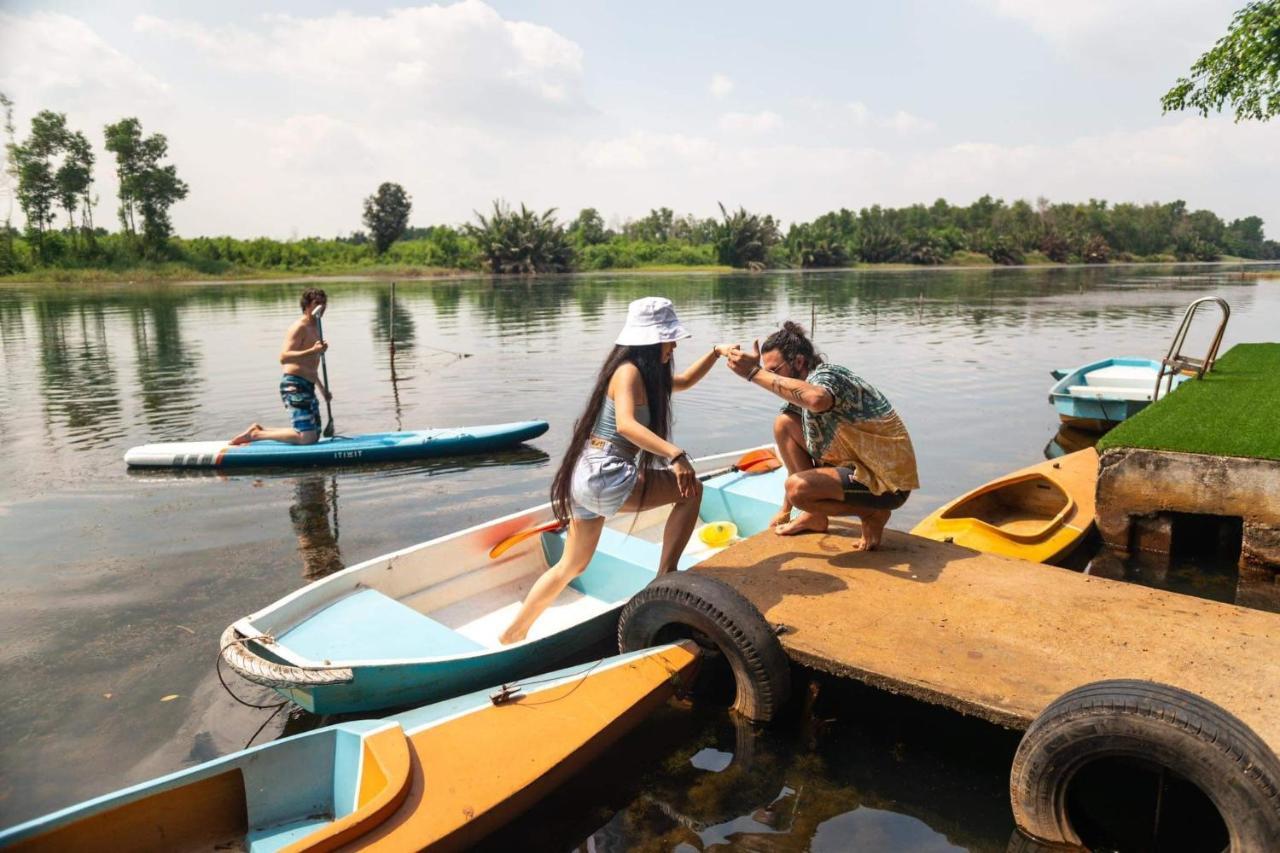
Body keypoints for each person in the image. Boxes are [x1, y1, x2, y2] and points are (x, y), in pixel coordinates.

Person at [500, 297, 732, 644]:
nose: (673, 345)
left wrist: (716, 352)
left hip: (586, 476)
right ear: (652, 341)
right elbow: (625, 425)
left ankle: (513, 634)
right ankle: (665, 577)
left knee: (572, 566)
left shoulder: (646, 375)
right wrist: (675, 455)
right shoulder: (628, 373)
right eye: (669, 339)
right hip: (606, 473)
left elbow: (683, 381)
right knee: (691, 490)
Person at [725, 321, 918, 550]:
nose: (771, 380)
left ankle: (873, 513)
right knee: (784, 424)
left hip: (888, 482)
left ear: (799, 361)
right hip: (856, 472)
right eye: (768, 374)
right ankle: (813, 515)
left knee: (797, 488)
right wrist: (785, 511)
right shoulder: (796, 403)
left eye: (774, 372)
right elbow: (792, 458)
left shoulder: (828, 375)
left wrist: (753, 373)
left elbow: (817, 400)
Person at [230, 288, 332, 446]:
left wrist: (322, 388)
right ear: (306, 306)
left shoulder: (317, 328)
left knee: (315, 435)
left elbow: (311, 365)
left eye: (324, 303)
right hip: (294, 385)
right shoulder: (299, 327)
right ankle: (256, 435)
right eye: (317, 303)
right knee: (306, 438)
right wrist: (313, 350)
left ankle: (258, 430)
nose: (322, 306)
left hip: (308, 385)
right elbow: (284, 357)